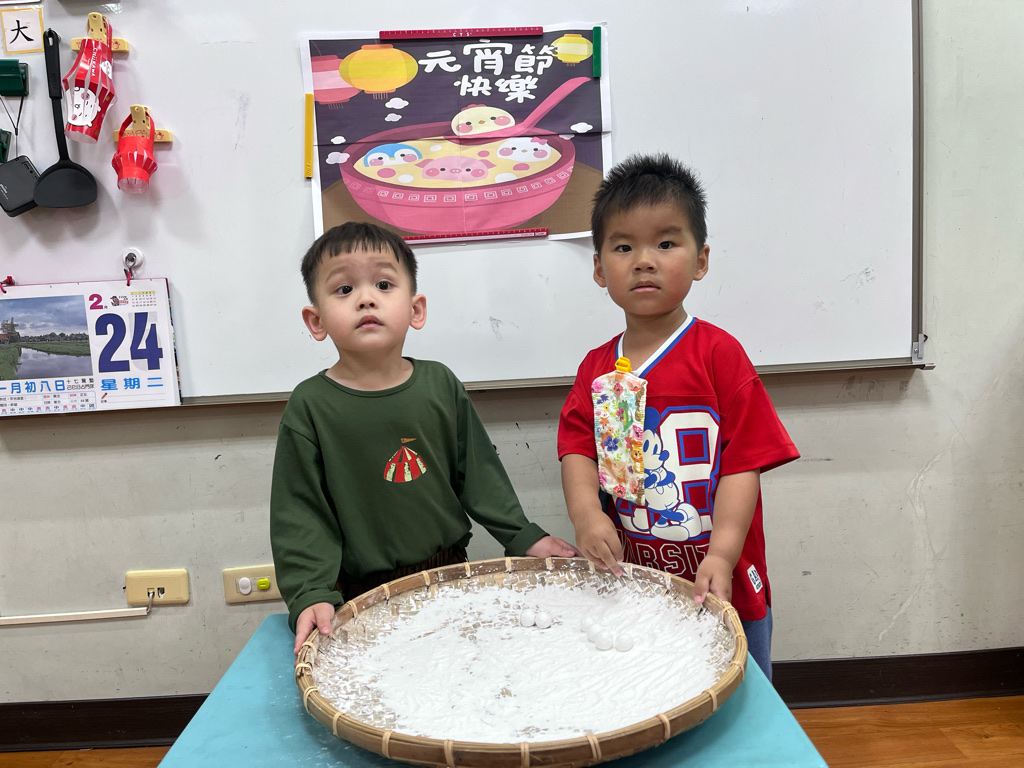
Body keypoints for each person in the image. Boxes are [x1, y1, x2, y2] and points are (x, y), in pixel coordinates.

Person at [272, 221, 577, 654]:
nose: (366, 298)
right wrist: (310, 591)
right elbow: (300, 512)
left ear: (416, 310)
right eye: (344, 289)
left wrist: (523, 535)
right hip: (358, 592)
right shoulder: (309, 406)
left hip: (449, 573)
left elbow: (479, 473)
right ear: (316, 321)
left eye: (383, 284)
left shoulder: (440, 385)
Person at [557, 155, 799, 679]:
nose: (644, 261)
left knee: (737, 689)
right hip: (635, 578)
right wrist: (587, 515)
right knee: (652, 684)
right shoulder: (596, 368)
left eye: (666, 244)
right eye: (624, 247)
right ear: (599, 268)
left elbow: (744, 462)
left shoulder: (719, 355)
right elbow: (577, 448)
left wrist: (724, 554)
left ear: (701, 259)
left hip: (718, 577)